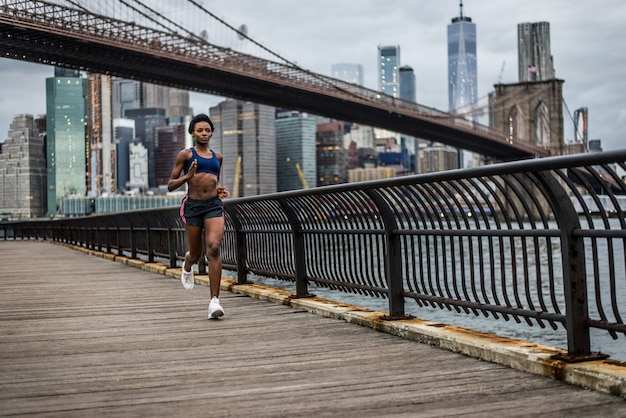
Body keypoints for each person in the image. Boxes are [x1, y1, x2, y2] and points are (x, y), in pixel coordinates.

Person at [168, 113, 229, 319]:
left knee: (213, 248)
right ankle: (187, 264)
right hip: (193, 206)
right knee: (196, 253)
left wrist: (220, 189)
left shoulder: (217, 157)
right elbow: (170, 185)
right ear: (193, 132)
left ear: (212, 133)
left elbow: (215, 180)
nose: (204, 133)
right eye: (200, 130)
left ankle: (214, 302)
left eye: (208, 130)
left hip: (213, 206)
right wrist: (188, 176)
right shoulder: (185, 155)